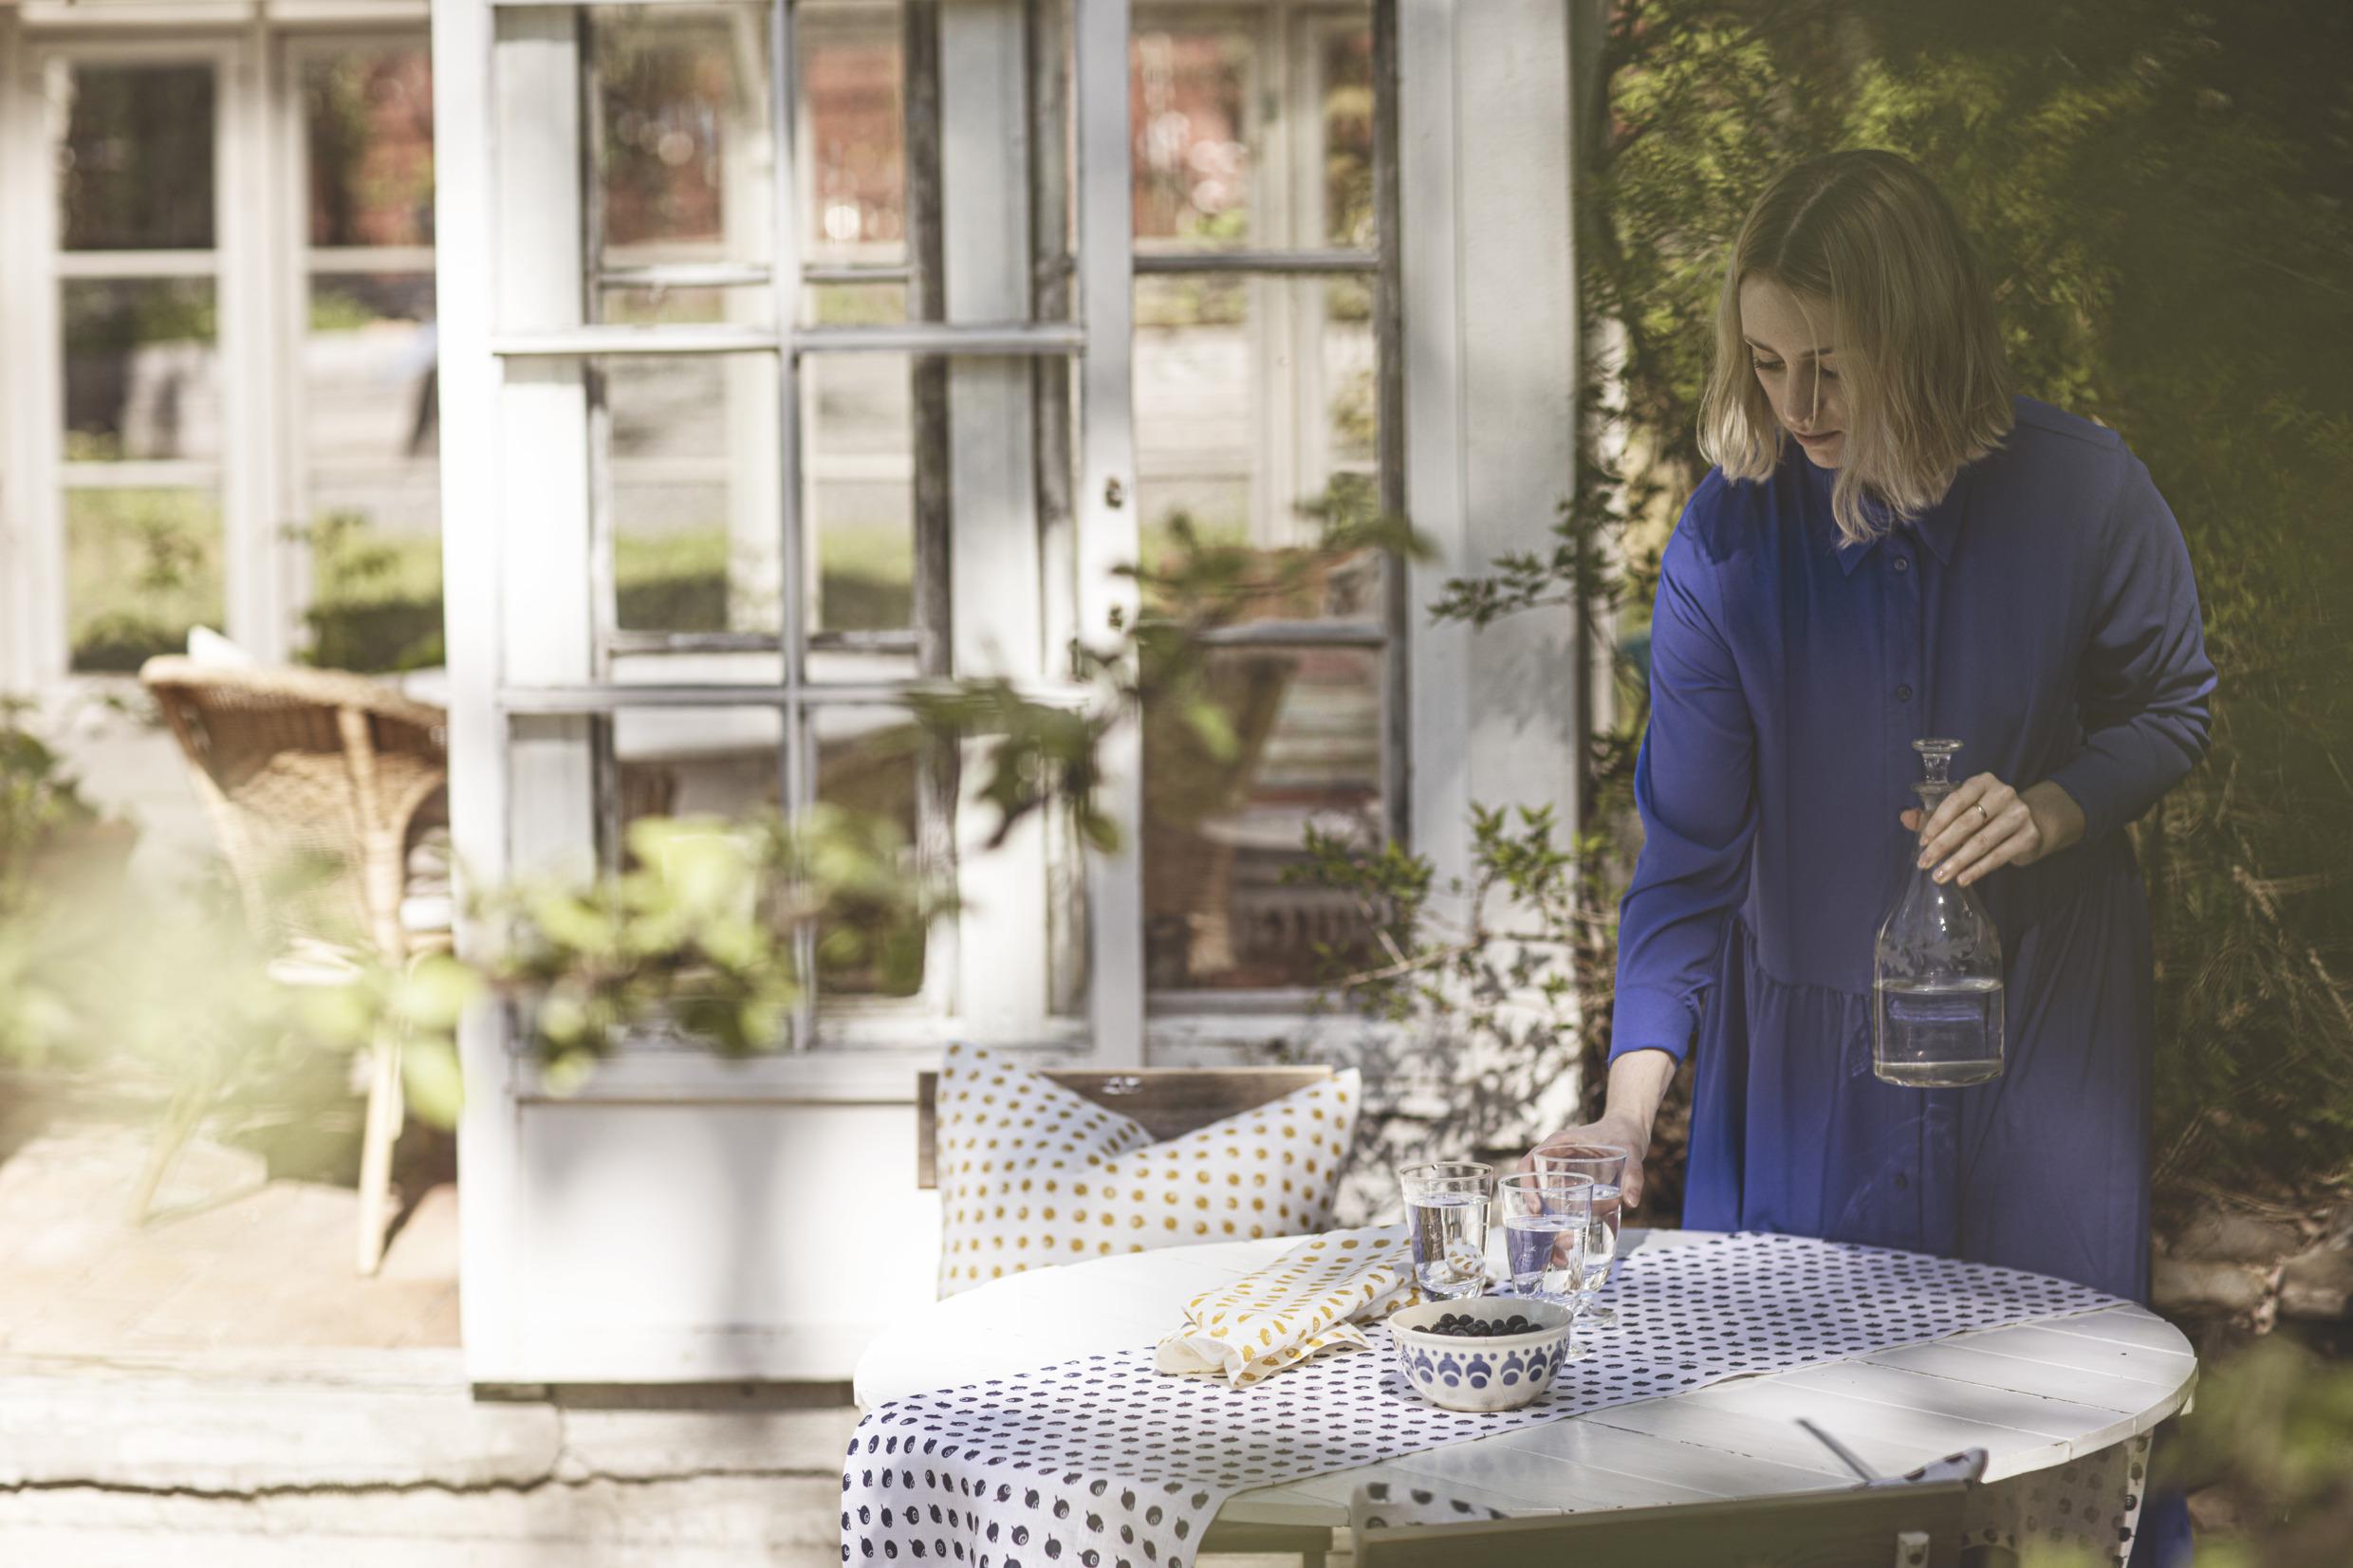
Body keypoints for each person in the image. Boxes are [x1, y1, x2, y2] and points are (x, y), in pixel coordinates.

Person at [1530, 149, 2212, 1564]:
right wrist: (1624, 1112)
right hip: (1804, 1075)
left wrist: (2056, 805)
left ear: (1926, 334)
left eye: (1832, 365)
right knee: (1795, 1470)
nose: (1797, 408)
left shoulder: (2086, 492)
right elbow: (1691, 859)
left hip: (2044, 1056)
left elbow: (2172, 707)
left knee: (2051, 1459)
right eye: (1769, 362)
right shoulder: (1728, 537)